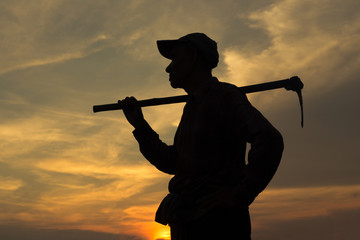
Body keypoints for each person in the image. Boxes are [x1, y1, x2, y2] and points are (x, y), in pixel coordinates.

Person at [120, 33, 284, 240]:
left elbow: (269, 139)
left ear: (193, 56)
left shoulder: (224, 96)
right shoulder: (194, 106)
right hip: (189, 222)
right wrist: (139, 124)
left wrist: (240, 193)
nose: (168, 68)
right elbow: (174, 163)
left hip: (217, 223)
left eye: (175, 60)